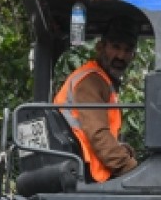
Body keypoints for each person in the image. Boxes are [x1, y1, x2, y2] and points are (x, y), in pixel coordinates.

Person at [53, 16, 139, 182]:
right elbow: (98, 135)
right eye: (116, 47)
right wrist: (132, 170)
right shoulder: (90, 81)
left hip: (86, 167)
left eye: (127, 50)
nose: (121, 55)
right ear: (101, 47)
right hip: (84, 172)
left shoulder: (104, 82)